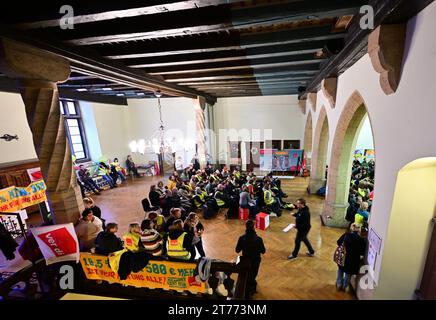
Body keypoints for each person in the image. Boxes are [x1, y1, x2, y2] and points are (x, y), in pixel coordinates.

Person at [235, 219, 266, 298]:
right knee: (253, 274)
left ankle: (247, 289)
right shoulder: (259, 239)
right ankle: (251, 289)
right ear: (254, 227)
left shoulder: (241, 238)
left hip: (246, 260)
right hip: (255, 261)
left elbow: (237, 250)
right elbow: (263, 251)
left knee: (247, 275)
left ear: (246, 227)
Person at [336, 223, 366, 291]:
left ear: (351, 228)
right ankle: (344, 286)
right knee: (348, 273)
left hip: (343, 257)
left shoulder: (346, 235)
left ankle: (339, 284)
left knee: (340, 270)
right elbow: (362, 251)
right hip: (353, 260)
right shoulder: (361, 240)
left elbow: (338, 242)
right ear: (359, 230)